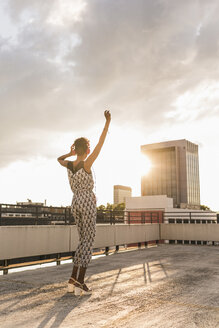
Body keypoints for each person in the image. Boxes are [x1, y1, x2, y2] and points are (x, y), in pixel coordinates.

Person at [57, 110, 111, 295]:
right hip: (87, 200)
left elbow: (59, 159)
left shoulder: (70, 165)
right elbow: (101, 143)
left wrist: (69, 153)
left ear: (75, 149)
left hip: (75, 201)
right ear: (86, 150)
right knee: (89, 241)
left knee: (82, 240)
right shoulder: (86, 164)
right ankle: (80, 280)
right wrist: (107, 122)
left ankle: (73, 278)